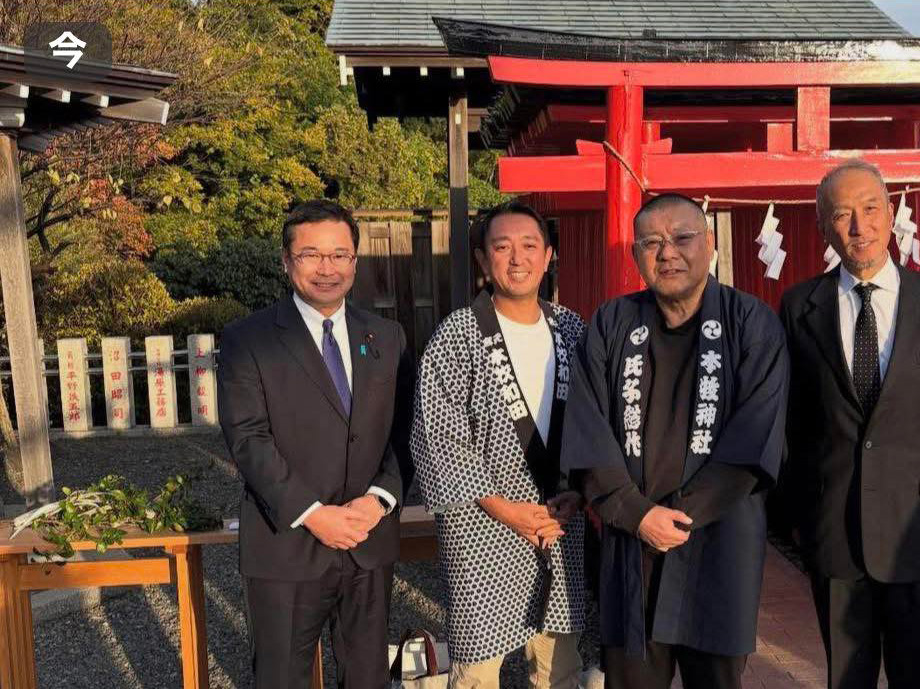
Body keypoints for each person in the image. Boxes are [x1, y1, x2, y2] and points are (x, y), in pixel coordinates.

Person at [779, 160, 920, 689]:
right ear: (823, 226)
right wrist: (794, 517)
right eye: (843, 214)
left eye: (871, 208)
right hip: (836, 529)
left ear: (891, 209)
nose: (861, 226)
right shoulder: (798, 307)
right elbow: (792, 421)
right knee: (845, 677)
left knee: (915, 673)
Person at [562, 194, 788, 689]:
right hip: (630, 543)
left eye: (682, 238)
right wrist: (637, 513)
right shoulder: (610, 323)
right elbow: (587, 427)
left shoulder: (751, 322)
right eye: (651, 243)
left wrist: (678, 517)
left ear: (708, 245)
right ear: (635, 256)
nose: (668, 253)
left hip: (718, 541)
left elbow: (756, 437)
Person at [217, 199, 413, 688]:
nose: (326, 269)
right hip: (288, 543)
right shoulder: (250, 339)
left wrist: (380, 499)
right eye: (310, 255)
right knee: (282, 676)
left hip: (367, 540)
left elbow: (407, 429)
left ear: (354, 261)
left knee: (368, 677)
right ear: (287, 262)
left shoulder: (386, 336)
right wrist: (314, 513)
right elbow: (247, 438)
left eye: (339, 255)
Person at [411, 202, 587, 688]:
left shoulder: (573, 330)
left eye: (530, 245)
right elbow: (437, 436)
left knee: (559, 666)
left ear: (548, 255)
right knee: (477, 671)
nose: (517, 258)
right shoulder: (456, 336)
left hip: (558, 520)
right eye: (502, 247)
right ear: (482, 260)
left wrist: (580, 490)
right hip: (482, 525)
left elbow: (598, 424)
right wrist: (504, 507)